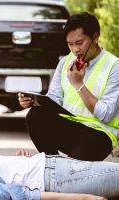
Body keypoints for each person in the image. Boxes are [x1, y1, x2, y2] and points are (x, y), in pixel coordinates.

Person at [18, 12, 119, 161]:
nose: (75, 50)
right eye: (70, 44)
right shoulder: (66, 61)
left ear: (95, 37)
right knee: (35, 115)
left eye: (79, 43)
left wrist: (78, 84)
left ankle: (58, 170)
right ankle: (52, 164)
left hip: (98, 136)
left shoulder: (114, 66)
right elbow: (53, 100)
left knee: (71, 172)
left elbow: (106, 114)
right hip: (70, 129)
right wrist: (33, 101)